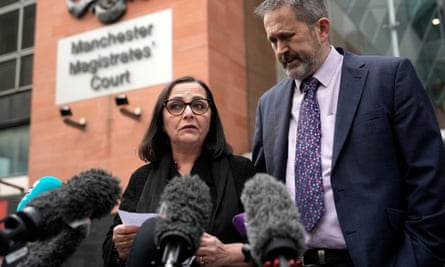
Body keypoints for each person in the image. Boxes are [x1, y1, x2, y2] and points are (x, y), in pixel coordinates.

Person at [251, 1, 445, 267]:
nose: (280, 50)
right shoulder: (268, 104)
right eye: (273, 40)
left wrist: (417, 258)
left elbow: (429, 178)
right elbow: (265, 188)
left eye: (287, 36)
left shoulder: (389, 78)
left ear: (322, 29)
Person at [102, 76, 256, 267]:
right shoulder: (141, 178)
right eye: (176, 106)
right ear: (162, 120)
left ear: (212, 118)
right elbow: (109, 251)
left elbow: (270, 243)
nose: (189, 113)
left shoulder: (241, 170)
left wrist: (228, 254)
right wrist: (120, 248)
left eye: (199, 106)